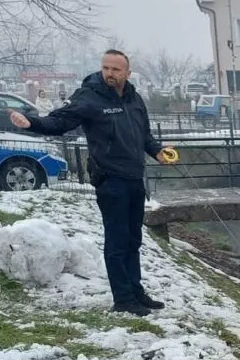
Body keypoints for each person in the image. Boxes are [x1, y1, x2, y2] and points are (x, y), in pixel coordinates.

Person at [9, 49, 176, 317]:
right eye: (106, 68)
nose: (110, 73)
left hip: (135, 178)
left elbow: (144, 135)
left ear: (127, 73)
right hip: (111, 180)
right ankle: (123, 299)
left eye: (116, 69)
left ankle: (136, 291)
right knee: (117, 241)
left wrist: (157, 151)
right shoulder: (89, 97)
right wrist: (31, 123)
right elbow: (60, 121)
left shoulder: (134, 99)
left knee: (133, 239)